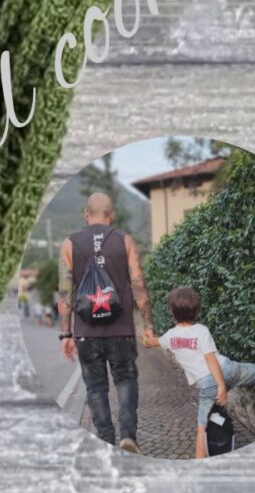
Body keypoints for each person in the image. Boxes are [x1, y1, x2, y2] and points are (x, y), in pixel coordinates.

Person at [58, 191, 159, 451]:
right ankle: (128, 436)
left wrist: (66, 334)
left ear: (86, 213)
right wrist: (148, 326)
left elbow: (64, 294)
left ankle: (105, 439)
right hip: (121, 329)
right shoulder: (124, 240)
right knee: (125, 380)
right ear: (111, 216)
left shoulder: (69, 244)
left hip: (86, 333)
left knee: (95, 388)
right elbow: (138, 285)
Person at [159, 285, 255, 458]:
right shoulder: (201, 330)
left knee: (202, 426)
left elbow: (209, 360)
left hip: (211, 383)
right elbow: (212, 358)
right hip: (229, 368)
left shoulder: (170, 336)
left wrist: (221, 387)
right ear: (196, 311)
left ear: (171, 312)